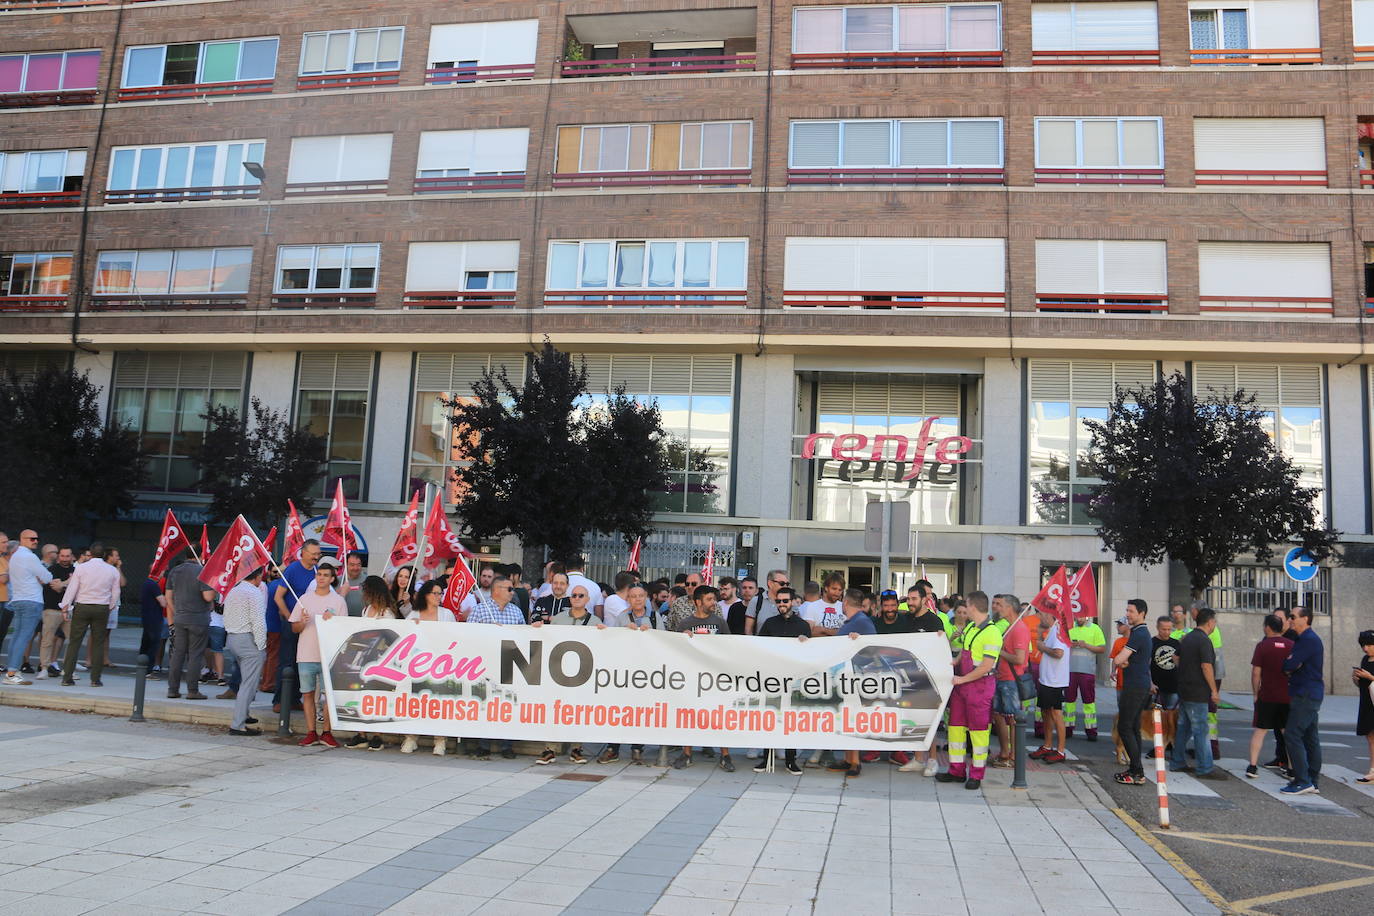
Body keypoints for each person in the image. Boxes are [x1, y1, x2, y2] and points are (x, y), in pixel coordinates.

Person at [935, 590, 1002, 789]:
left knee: (978, 733)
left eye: (967, 607)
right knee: (955, 728)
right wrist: (953, 661)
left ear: (973, 607)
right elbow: (966, 653)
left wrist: (962, 679)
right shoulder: (972, 627)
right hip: (962, 685)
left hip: (979, 687)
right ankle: (956, 771)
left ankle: (976, 775)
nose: (964, 611)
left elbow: (986, 666)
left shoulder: (992, 632)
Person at [533, 586, 605, 764]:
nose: (577, 598)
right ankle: (549, 749)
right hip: (558, 672)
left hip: (582, 675)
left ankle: (576, 748)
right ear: (570, 598)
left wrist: (605, 633)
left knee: (579, 711)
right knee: (555, 710)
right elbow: (547, 638)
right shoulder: (558, 619)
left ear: (588, 599)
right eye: (574, 595)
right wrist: (537, 628)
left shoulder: (595, 621)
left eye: (581, 595)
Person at [674, 585, 734, 771]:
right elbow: (674, 650)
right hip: (693, 678)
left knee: (719, 715)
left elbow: (730, 647)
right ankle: (686, 753)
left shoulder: (720, 623)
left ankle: (725, 755)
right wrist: (683, 640)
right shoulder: (684, 624)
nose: (713, 603)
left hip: (716, 677)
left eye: (714, 599)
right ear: (698, 602)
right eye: (709, 600)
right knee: (690, 714)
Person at [289, 556, 347, 749]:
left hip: (328, 656)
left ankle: (327, 732)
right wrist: (303, 622)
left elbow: (343, 631)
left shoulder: (338, 601)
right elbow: (294, 628)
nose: (321, 578)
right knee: (307, 694)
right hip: (306, 654)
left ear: (332, 578)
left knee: (327, 696)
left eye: (325, 575)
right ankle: (311, 732)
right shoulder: (304, 599)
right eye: (319, 574)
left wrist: (334, 621)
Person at [754, 586, 810, 776]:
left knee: (790, 720)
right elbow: (759, 648)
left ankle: (790, 759)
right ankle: (766, 757)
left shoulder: (803, 625)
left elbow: (811, 654)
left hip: (794, 680)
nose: (782, 604)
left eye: (785, 601)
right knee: (770, 717)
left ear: (793, 602)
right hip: (772, 679)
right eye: (778, 601)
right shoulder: (769, 623)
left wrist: (805, 643)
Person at [469, 576, 524, 760]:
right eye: (509, 589)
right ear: (497, 590)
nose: (512, 592)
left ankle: (506, 745)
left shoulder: (516, 612)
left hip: (509, 664)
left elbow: (524, 637)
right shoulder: (479, 610)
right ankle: (483, 745)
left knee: (508, 704)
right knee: (485, 703)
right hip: (485, 665)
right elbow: (467, 636)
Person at [345, 576, 403, 750]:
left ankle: (378, 734)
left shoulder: (387, 613)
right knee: (361, 696)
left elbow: (389, 638)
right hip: (364, 658)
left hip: (381, 661)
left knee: (378, 697)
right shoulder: (367, 609)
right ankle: (361, 733)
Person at [400, 580, 456, 755]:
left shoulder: (446, 614)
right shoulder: (414, 614)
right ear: (426, 595)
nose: (439, 597)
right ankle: (411, 737)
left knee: (439, 704)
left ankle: (440, 740)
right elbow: (404, 637)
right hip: (417, 665)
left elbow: (455, 637)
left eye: (441, 593)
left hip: (440, 665)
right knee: (415, 702)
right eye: (435, 593)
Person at [1170, 607, 1224, 780]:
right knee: (1201, 729)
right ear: (1210, 622)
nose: (1214, 624)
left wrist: (1185, 671)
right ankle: (1205, 767)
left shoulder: (1187, 638)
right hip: (1198, 691)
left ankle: (1177, 761)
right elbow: (1206, 666)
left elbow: (1175, 657)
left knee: (1183, 728)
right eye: (1214, 621)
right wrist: (1214, 690)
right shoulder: (1204, 641)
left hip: (1184, 689)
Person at [58, 545, 121, 687]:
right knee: (98, 642)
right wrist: (110, 606)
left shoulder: (81, 568)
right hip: (101, 607)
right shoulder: (112, 570)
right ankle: (95, 679)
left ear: (90, 554)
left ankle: (67, 677)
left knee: (75, 642)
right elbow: (115, 591)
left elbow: (73, 587)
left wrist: (65, 606)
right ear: (104, 554)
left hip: (83, 605)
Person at [273, 540, 321, 713]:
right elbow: (278, 597)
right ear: (303, 552)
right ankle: (279, 699)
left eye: (318, 553)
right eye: (313, 553)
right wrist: (288, 617)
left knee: (302, 661)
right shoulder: (293, 569)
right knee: (287, 661)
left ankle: (294, 698)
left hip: (309, 625)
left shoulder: (317, 571)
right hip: (292, 623)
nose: (316, 556)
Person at [1280, 604, 1323, 794]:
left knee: (1292, 734)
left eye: (1293, 616)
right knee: (1310, 736)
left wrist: (1290, 664)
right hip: (1308, 692)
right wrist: (1290, 665)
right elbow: (1289, 664)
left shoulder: (1308, 640)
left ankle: (1303, 780)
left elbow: (1290, 663)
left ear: (1305, 619)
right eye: (1289, 616)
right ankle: (1311, 780)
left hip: (1305, 693)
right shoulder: (1303, 639)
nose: (1290, 619)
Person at [1111, 599, 1153, 785]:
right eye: (1127, 610)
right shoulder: (1140, 633)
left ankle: (1136, 771)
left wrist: (1120, 662)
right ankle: (1137, 771)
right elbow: (1131, 660)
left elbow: (1120, 659)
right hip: (1138, 684)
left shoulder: (1139, 634)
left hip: (1135, 686)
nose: (1127, 614)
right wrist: (1124, 662)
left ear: (1142, 613)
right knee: (1133, 727)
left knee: (1125, 727)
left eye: (1131, 611)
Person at [1246, 614, 1293, 779]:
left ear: (1267, 627)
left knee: (1260, 731)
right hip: (1287, 697)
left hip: (1267, 695)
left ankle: (1252, 766)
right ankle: (1291, 768)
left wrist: (1255, 693)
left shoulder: (1262, 646)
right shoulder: (1291, 645)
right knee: (1288, 733)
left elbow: (1256, 672)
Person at [223, 567, 267, 736]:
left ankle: (244, 714)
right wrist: (262, 646)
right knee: (249, 683)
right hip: (247, 639)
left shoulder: (234, 591)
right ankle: (238, 724)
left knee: (246, 680)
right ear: (258, 576)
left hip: (233, 637)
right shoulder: (254, 593)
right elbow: (258, 622)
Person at [4, 530, 51, 686]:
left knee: (17, 636)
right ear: (22, 539)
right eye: (32, 539)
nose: (35, 541)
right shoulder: (30, 557)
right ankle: (12, 673)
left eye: (37, 538)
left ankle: (12, 671)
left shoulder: (15, 557)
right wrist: (40, 577)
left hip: (18, 599)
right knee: (23, 637)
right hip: (31, 600)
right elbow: (47, 577)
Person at [165, 556, 214, 700]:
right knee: (195, 655)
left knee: (178, 654)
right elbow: (208, 597)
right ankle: (192, 690)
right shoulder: (202, 571)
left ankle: (172, 689)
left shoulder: (175, 571)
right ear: (199, 556)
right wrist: (215, 588)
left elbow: (168, 597)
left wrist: (177, 612)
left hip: (180, 618)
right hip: (198, 619)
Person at [988, 593, 1027, 771]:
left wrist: (998, 651)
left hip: (1012, 681)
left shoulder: (1019, 629)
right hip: (1002, 678)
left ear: (1010, 608)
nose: (998, 608)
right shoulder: (1010, 627)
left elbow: (1019, 659)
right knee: (1000, 716)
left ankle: (1014, 757)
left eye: (1001, 605)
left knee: (1013, 719)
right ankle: (1005, 753)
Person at [1029, 609, 1069, 765]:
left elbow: (1059, 653)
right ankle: (1047, 745)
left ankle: (1060, 750)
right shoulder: (1052, 630)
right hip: (1047, 679)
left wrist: (1042, 647)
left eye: (1042, 615)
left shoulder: (1058, 631)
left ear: (1050, 616)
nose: (1040, 618)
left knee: (1056, 714)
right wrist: (1039, 635)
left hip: (1055, 681)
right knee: (1045, 712)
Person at [1065, 613, 1107, 741]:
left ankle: (1091, 730)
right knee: (1069, 702)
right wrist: (1070, 644)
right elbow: (1063, 644)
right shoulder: (1070, 628)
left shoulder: (1095, 628)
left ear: (1087, 616)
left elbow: (1102, 649)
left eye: (1082, 616)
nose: (1080, 618)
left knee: (1088, 702)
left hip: (1087, 671)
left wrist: (1086, 645)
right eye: (1078, 616)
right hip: (1070, 670)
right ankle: (1068, 728)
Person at [1149, 615, 1179, 756]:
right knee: (1158, 720)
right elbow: (1146, 664)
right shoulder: (1151, 642)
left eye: (1169, 629)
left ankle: (1171, 745)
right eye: (1163, 629)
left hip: (1173, 687)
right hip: (1156, 689)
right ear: (1157, 628)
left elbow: (1181, 665)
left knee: (1171, 720)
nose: (1166, 632)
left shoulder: (1177, 644)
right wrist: (1150, 683)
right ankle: (1158, 747)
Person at [1353, 629, 1374, 783]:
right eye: (1363, 645)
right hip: (1367, 702)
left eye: (1369, 645)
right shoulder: (1365, 660)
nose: (1365, 648)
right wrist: (1356, 678)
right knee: (1370, 736)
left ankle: (1373, 771)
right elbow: (1360, 684)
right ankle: (1372, 769)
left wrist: (1370, 676)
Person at [138, 575, 168, 677]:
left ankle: (141, 668)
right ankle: (148, 670)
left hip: (147, 617)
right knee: (153, 644)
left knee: (145, 643)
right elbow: (163, 603)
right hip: (154, 618)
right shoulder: (153, 585)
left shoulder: (146, 583)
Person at [798, 572, 844, 637]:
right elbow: (809, 633)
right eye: (834, 589)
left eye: (840, 590)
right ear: (826, 588)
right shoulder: (812, 606)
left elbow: (847, 632)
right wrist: (836, 632)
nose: (837, 593)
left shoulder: (844, 607)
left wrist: (823, 630)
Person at [744, 569, 788, 635]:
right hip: (760, 643)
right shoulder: (756, 601)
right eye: (782, 583)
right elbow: (748, 630)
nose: (785, 587)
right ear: (770, 583)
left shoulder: (791, 603)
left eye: (787, 584)